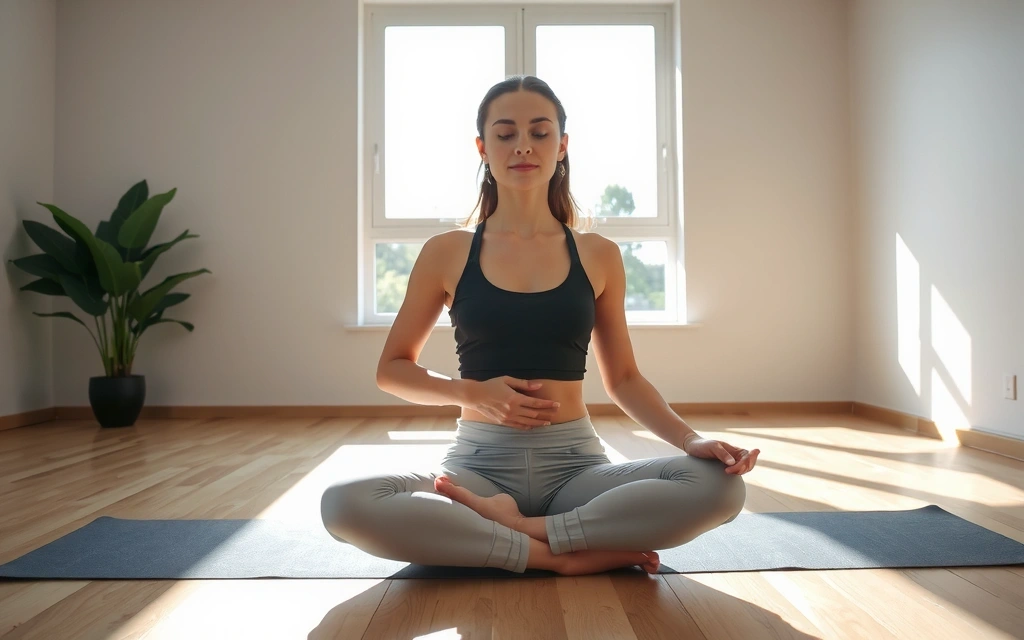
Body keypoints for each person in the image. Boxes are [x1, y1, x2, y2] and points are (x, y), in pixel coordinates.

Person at [321, 75, 760, 576]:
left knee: (721, 485)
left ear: (562, 146)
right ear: (483, 148)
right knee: (344, 503)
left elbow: (625, 380)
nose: (523, 145)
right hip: (479, 466)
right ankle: (555, 558)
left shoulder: (599, 255)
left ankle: (527, 533)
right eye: (505, 134)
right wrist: (472, 393)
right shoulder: (447, 251)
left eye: (540, 132)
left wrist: (690, 441)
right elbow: (392, 369)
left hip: (575, 467)